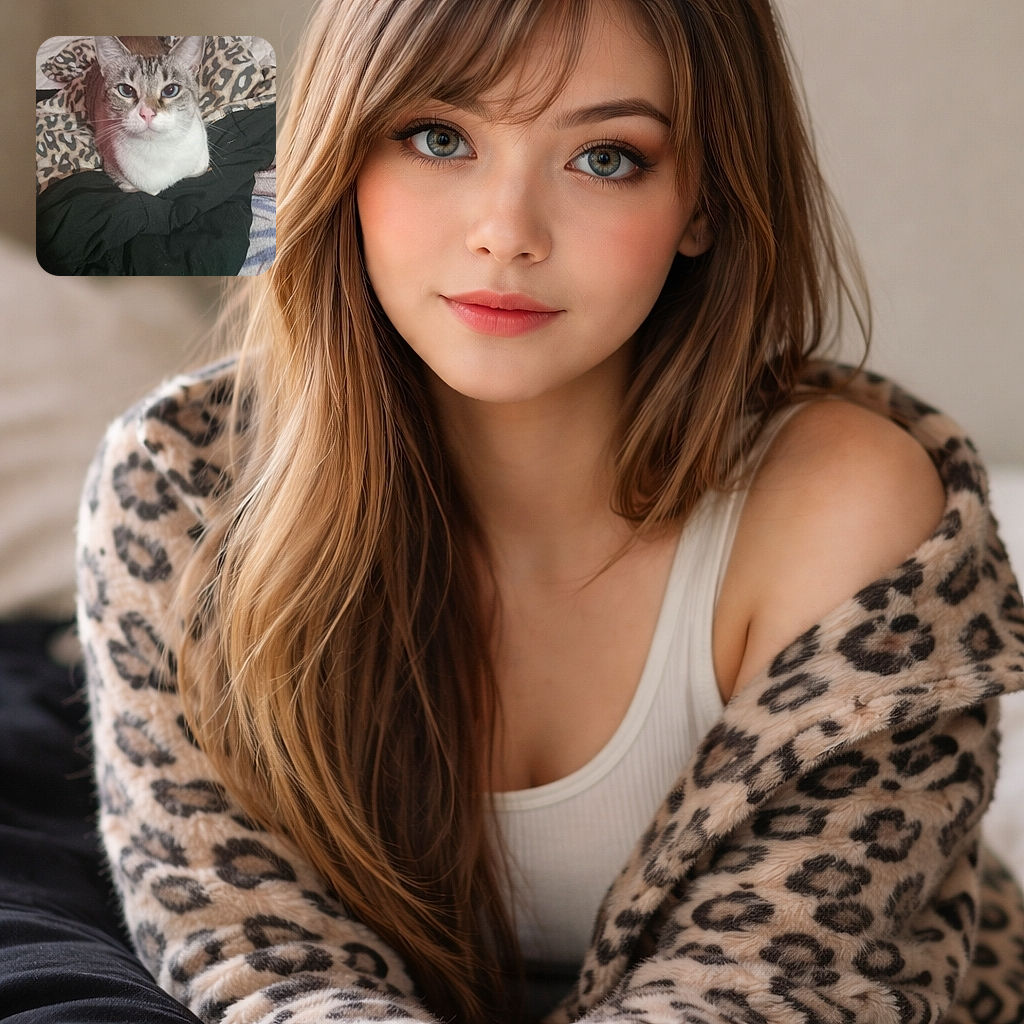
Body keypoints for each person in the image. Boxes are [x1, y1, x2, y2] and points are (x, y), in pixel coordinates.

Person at [75, 0, 1024, 1022]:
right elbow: (258, 957)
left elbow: (771, 990)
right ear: (342, 158)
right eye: (440, 138)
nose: (506, 234)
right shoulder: (179, 488)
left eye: (606, 157)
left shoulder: (849, 508)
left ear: (703, 200)